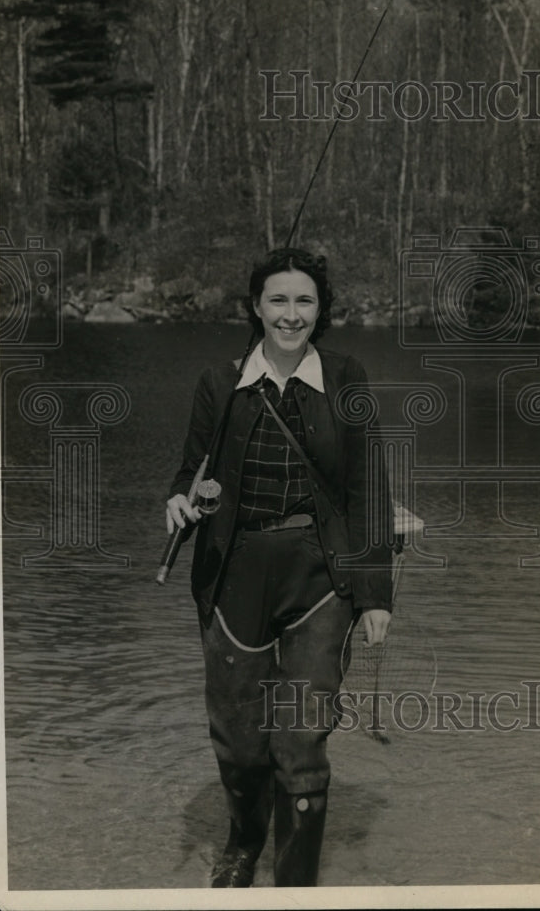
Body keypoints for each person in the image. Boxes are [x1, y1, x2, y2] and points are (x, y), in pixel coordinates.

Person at [166, 247, 393, 888]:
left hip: (321, 577)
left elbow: (369, 490)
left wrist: (375, 595)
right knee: (239, 741)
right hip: (233, 573)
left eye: (304, 301)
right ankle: (243, 843)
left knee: (299, 739)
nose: (290, 315)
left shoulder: (347, 378)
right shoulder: (220, 382)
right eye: (277, 300)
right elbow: (191, 472)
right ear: (256, 308)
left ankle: (296, 884)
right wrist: (181, 499)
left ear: (321, 310)